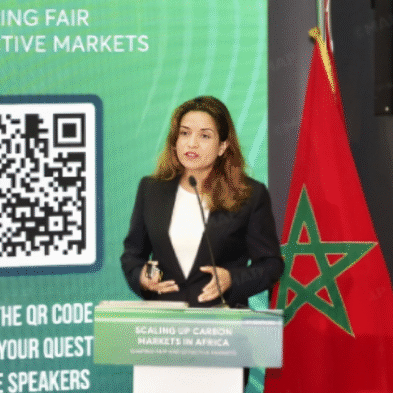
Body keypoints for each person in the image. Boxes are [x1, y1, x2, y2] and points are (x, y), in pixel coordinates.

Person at [120, 95, 284, 309]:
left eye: (204, 136)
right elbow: (133, 255)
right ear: (175, 141)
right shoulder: (151, 190)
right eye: (184, 133)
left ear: (222, 146)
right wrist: (141, 276)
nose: (192, 143)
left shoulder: (250, 194)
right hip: (165, 319)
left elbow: (271, 264)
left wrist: (231, 279)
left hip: (222, 319)